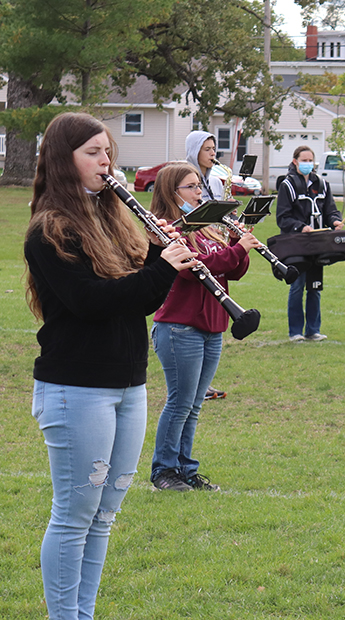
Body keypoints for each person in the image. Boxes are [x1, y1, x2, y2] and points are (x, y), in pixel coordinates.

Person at [24, 112, 197, 619]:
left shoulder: (113, 216)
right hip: (76, 387)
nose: (107, 162)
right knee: (75, 515)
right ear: (64, 159)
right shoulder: (49, 231)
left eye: (108, 152)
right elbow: (90, 302)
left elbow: (134, 299)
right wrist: (160, 268)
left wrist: (161, 258)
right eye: (93, 153)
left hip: (128, 383)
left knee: (104, 516)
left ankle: (84, 613)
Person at [148, 163, 262, 492]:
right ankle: (163, 471)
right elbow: (195, 268)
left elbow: (232, 270)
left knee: (194, 404)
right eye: (191, 187)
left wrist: (240, 244)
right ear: (173, 192)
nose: (199, 193)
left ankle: (185, 469)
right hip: (179, 326)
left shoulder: (208, 227)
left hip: (213, 324)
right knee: (180, 401)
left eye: (199, 186)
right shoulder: (167, 230)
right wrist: (236, 249)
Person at [276, 146, 344, 342]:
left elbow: (330, 210)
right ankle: (295, 331)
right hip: (296, 243)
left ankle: (313, 330)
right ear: (295, 161)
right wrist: (300, 227)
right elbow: (283, 218)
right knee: (297, 285)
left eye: (310, 160)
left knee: (315, 286)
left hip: (317, 242)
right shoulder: (287, 185)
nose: (307, 164)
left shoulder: (321, 184)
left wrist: (335, 221)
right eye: (303, 160)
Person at [185, 130, 228, 400]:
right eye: (207, 149)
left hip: (213, 241)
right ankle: (195, 382)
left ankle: (204, 381)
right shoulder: (186, 178)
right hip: (194, 244)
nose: (213, 154)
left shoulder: (215, 181)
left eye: (214, 149)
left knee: (213, 315)